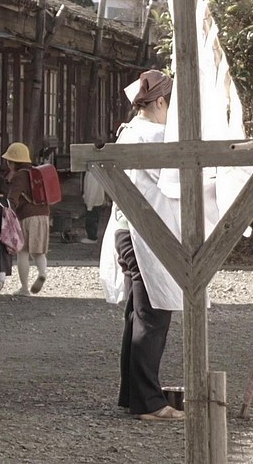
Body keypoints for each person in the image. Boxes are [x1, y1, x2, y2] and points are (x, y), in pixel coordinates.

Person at [99, 70, 185, 421]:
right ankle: (148, 402)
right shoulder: (154, 135)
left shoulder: (130, 131)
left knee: (139, 316)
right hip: (145, 234)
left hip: (128, 232)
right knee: (152, 316)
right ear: (160, 101)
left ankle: (133, 396)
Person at [3, 142, 49, 296]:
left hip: (27, 216)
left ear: (12, 162)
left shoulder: (19, 176)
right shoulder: (37, 172)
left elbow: (12, 199)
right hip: (43, 215)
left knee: (22, 252)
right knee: (39, 251)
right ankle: (42, 273)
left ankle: (24, 288)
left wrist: (7, 214)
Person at [81, 172, 106, 244]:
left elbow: (93, 191)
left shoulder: (93, 174)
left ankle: (92, 238)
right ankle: (91, 236)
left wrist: (89, 205)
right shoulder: (92, 172)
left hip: (93, 202)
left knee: (91, 220)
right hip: (94, 201)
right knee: (93, 219)